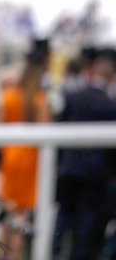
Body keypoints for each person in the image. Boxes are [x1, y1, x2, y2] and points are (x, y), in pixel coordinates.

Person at [52, 49, 116, 260]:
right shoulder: (110, 105)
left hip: (69, 170)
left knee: (64, 217)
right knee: (87, 223)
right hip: (96, 175)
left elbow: (57, 133)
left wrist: (59, 163)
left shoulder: (72, 97)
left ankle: (55, 252)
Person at [0, 38, 52, 260]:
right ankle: (14, 256)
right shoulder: (40, 100)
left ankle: (3, 254)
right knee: (19, 217)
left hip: (10, 157)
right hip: (30, 160)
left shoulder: (9, 96)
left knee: (9, 215)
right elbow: (45, 132)